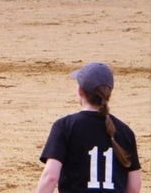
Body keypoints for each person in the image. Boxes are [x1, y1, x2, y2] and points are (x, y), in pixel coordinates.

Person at [35, 62, 141, 193]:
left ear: (80, 91)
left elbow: (50, 178)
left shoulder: (65, 126)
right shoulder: (125, 132)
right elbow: (134, 187)